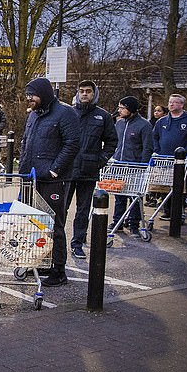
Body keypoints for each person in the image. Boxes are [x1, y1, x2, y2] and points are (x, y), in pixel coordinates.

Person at [19, 77, 80, 287]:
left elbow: (72, 144)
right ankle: (42, 260)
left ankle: (58, 270)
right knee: (33, 223)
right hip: (30, 178)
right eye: (28, 95)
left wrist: (55, 170)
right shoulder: (33, 116)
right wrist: (22, 169)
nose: (29, 99)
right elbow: (26, 141)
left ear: (43, 94)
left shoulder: (65, 113)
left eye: (32, 95)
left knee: (54, 224)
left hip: (53, 180)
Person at [65, 81, 117, 260]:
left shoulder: (103, 116)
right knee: (60, 209)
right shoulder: (69, 113)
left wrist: (101, 160)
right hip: (68, 169)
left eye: (88, 91)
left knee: (83, 210)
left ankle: (77, 243)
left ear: (94, 93)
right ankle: (56, 244)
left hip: (88, 170)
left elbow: (112, 141)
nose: (84, 94)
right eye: (81, 91)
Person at [112, 96, 153, 234]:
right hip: (119, 164)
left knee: (134, 196)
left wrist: (143, 165)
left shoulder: (144, 125)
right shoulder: (119, 123)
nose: (119, 110)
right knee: (119, 196)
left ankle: (134, 223)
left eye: (122, 108)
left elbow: (147, 147)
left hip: (135, 166)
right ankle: (117, 221)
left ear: (131, 109)